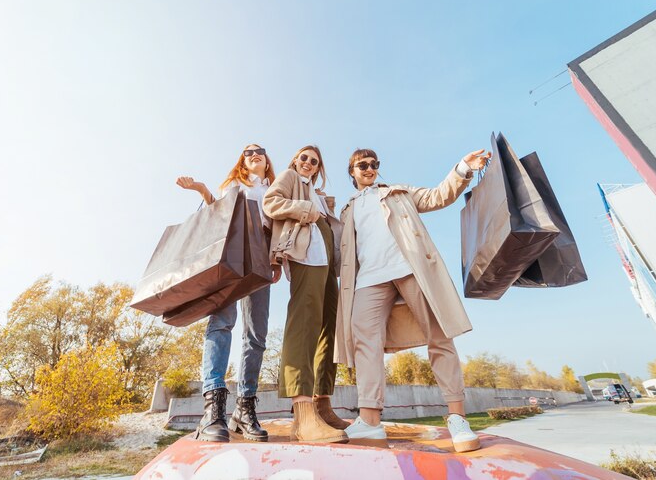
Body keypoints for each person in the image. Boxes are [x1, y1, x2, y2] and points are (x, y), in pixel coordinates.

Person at [334, 147, 490, 452]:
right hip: (367, 280)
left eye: (374, 164)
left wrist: (462, 168)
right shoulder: (348, 209)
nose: (369, 169)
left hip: (411, 268)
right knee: (364, 341)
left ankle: (457, 418)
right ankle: (369, 420)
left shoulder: (399, 192)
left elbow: (438, 196)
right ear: (352, 172)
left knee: (439, 334)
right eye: (362, 165)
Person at [176, 144, 281, 443]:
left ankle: (245, 408)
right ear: (242, 161)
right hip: (232, 253)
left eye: (259, 150)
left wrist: (277, 261)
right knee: (222, 322)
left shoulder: (274, 189)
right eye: (247, 152)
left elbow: (277, 228)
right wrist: (201, 190)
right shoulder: (233, 186)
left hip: (261, 257)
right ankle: (213, 409)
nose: (254, 154)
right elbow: (216, 215)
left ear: (266, 160)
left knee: (256, 334)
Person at [262, 145, 348, 444]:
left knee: (330, 327)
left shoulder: (318, 193)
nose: (308, 163)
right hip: (306, 255)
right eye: (304, 158)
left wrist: (323, 207)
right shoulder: (289, 177)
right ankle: (302, 414)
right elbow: (270, 202)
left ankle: (322, 404)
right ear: (295, 161)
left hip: (326, 260)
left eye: (314, 161)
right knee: (304, 323)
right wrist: (306, 210)